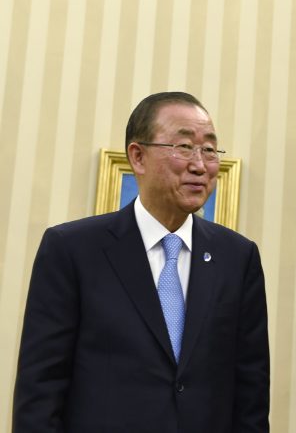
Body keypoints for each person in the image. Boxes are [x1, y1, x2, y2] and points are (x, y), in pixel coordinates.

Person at [13, 92, 270, 432]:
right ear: (138, 157)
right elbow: (40, 391)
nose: (200, 164)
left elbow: (250, 394)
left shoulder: (237, 257)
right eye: (183, 147)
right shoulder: (72, 250)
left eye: (209, 149)